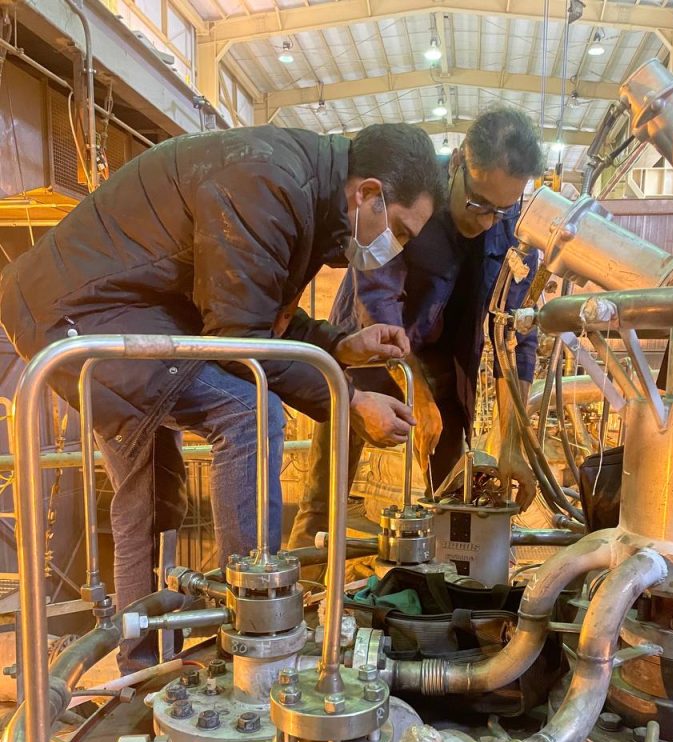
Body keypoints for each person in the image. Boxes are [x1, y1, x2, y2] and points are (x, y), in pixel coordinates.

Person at [0, 122, 444, 667]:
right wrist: (349, 400)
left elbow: (255, 309)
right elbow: (241, 339)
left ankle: (145, 672)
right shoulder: (270, 183)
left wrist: (340, 346)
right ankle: (252, 639)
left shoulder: (304, 191)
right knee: (249, 411)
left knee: (148, 494)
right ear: (367, 193)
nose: (394, 249)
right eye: (398, 231)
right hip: (81, 314)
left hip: (96, 309)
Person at [289, 107, 544, 551]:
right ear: (459, 162)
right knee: (325, 499)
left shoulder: (516, 229)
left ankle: (445, 577)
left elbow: (515, 337)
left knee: (452, 498)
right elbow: (378, 304)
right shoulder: (411, 192)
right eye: (478, 204)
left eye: (501, 210)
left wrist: (513, 445)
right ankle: (306, 575)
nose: (487, 221)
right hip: (366, 348)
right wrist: (415, 397)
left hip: (445, 365)